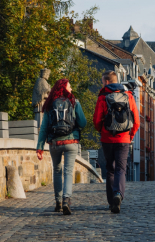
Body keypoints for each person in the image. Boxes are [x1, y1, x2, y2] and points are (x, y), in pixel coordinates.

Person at [36, 79, 87, 215]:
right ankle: (66, 200)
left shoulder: (50, 104)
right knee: (68, 172)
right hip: (71, 142)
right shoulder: (74, 101)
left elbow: (44, 128)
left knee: (57, 171)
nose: (71, 88)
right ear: (65, 87)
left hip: (55, 143)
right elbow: (83, 123)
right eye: (69, 86)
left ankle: (58, 202)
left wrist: (39, 147)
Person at [93, 70, 140, 213]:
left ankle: (111, 200)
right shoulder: (128, 96)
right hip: (124, 138)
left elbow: (96, 120)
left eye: (103, 81)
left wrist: (102, 130)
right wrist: (130, 136)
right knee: (121, 169)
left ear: (107, 82)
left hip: (107, 139)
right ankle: (118, 194)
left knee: (110, 169)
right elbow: (136, 121)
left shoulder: (102, 97)